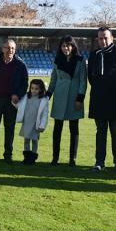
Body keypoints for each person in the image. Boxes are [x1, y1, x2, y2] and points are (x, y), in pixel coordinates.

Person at [87, 27, 116, 173]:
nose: (103, 41)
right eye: (100, 38)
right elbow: (90, 77)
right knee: (101, 131)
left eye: (105, 37)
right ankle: (99, 162)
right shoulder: (94, 55)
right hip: (98, 99)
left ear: (112, 38)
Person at [47, 35, 87, 167]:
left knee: (74, 129)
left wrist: (80, 98)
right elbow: (53, 79)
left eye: (68, 45)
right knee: (57, 129)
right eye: (63, 46)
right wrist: (48, 95)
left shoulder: (81, 60)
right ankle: (55, 158)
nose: (66, 48)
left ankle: (72, 159)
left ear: (73, 46)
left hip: (74, 97)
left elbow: (83, 81)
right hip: (59, 96)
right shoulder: (57, 60)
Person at [15, 79, 49, 165]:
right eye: (32, 88)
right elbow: (20, 106)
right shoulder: (26, 97)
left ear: (41, 89)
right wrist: (14, 103)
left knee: (34, 140)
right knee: (26, 140)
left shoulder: (44, 100)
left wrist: (42, 125)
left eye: (36, 88)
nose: (34, 90)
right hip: (27, 122)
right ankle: (26, 158)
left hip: (35, 124)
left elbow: (45, 114)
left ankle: (32, 158)